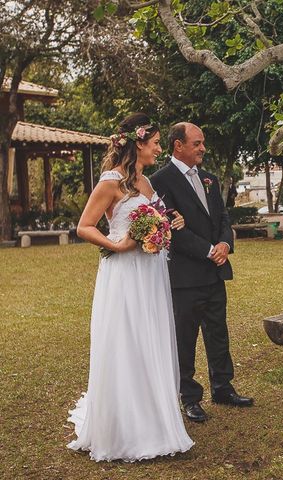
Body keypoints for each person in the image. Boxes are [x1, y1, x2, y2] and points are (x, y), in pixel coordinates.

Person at [68, 113, 194, 461]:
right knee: (128, 339)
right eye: (154, 143)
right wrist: (117, 245)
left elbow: (157, 220)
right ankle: (127, 424)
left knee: (150, 338)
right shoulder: (111, 182)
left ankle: (154, 415)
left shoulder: (148, 183)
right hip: (124, 272)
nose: (158, 149)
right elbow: (84, 226)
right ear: (138, 143)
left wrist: (171, 221)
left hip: (151, 272)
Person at [151, 122, 253, 423]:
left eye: (203, 142)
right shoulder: (160, 181)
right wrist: (209, 251)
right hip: (184, 276)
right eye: (197, 143)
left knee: (218, 332)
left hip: (215, 272)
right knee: (185, 338)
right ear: (178, 145)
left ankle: (223, 386)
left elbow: (222, 216)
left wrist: (224, 243)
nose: (202, 148)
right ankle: (190, 397)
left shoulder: (209, 178)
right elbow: (170, 228)